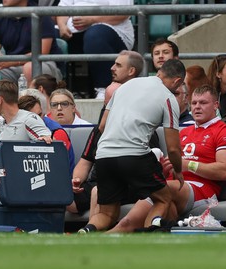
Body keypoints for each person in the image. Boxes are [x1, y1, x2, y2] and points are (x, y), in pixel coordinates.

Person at [106, 84, 226, 233]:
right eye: (194, 103)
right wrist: (163, 170)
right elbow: (173, 168)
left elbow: (225, 171)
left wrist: (189, 165)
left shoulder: (223, 132)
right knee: (151, 212)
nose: (197, 107)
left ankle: (144, 231)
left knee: (161, 189)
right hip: (176, 186)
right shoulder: (184, 132)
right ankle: (115, 237)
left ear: (216, 105)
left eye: (203, 103)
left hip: (203, 190)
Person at [78, 59, 185, 233]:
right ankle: (152, 229)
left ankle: (86, 231)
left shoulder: (126, 86)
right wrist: (178, 171)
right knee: (163, 198)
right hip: (134, 156)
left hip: (104, 156)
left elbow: (102, 126)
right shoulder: (168, 98)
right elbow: (173, 148)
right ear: (177, 81)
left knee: (106, 213)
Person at [70, 50, 146, 215]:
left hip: (127, 184)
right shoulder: (99, 129)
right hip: (98, 181)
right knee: (64, 194)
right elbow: (85, 161)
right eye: (104, 105)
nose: (112, 68)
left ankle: (91, 232)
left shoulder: (141, 124)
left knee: (99, 192)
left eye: (118, 65)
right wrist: (75, 181)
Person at [56, 0, 135, 98]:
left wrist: (92, 19)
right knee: (48, 35)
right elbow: (62, 8)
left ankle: (104, 88)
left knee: (94, 35)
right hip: (74, 31)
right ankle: (52, 88)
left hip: (112, 30)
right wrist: (62, 26)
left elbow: (123, 12)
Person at [0, 0, 63, 84]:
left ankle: (31, 97)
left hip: (43, 64)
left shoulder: (41, 14)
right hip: (11, 66)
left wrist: (8, 62)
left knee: (29, 68)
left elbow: (41, 52)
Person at [18, 92, 75, 176]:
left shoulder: (56, 133)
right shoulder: (15, 128)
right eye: (33, 117)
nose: (38, 119)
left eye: (40, 114)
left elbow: (57, 169)